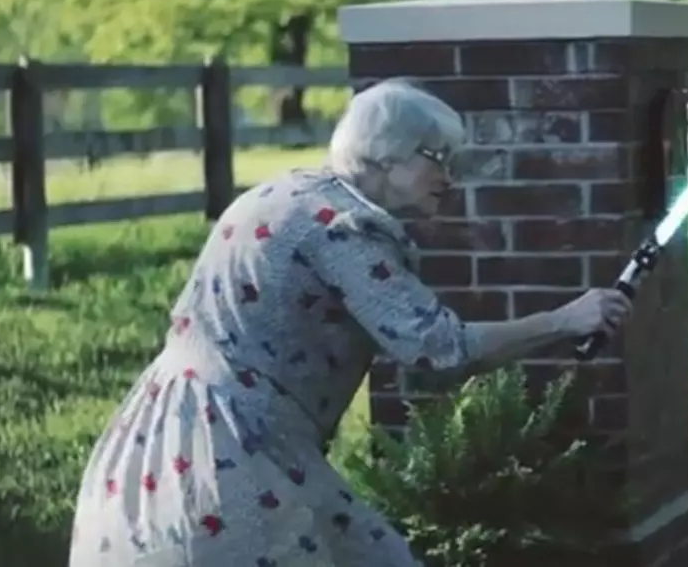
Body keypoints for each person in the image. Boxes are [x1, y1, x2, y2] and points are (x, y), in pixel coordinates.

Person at [68, 78, 633, 567]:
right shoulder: (341, 229)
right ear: (385, 156)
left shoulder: (285, 192)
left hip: (176, 425)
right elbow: (441, 350)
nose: (450, 176)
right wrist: (565, 319)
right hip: (231, 447)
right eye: (436, 158)